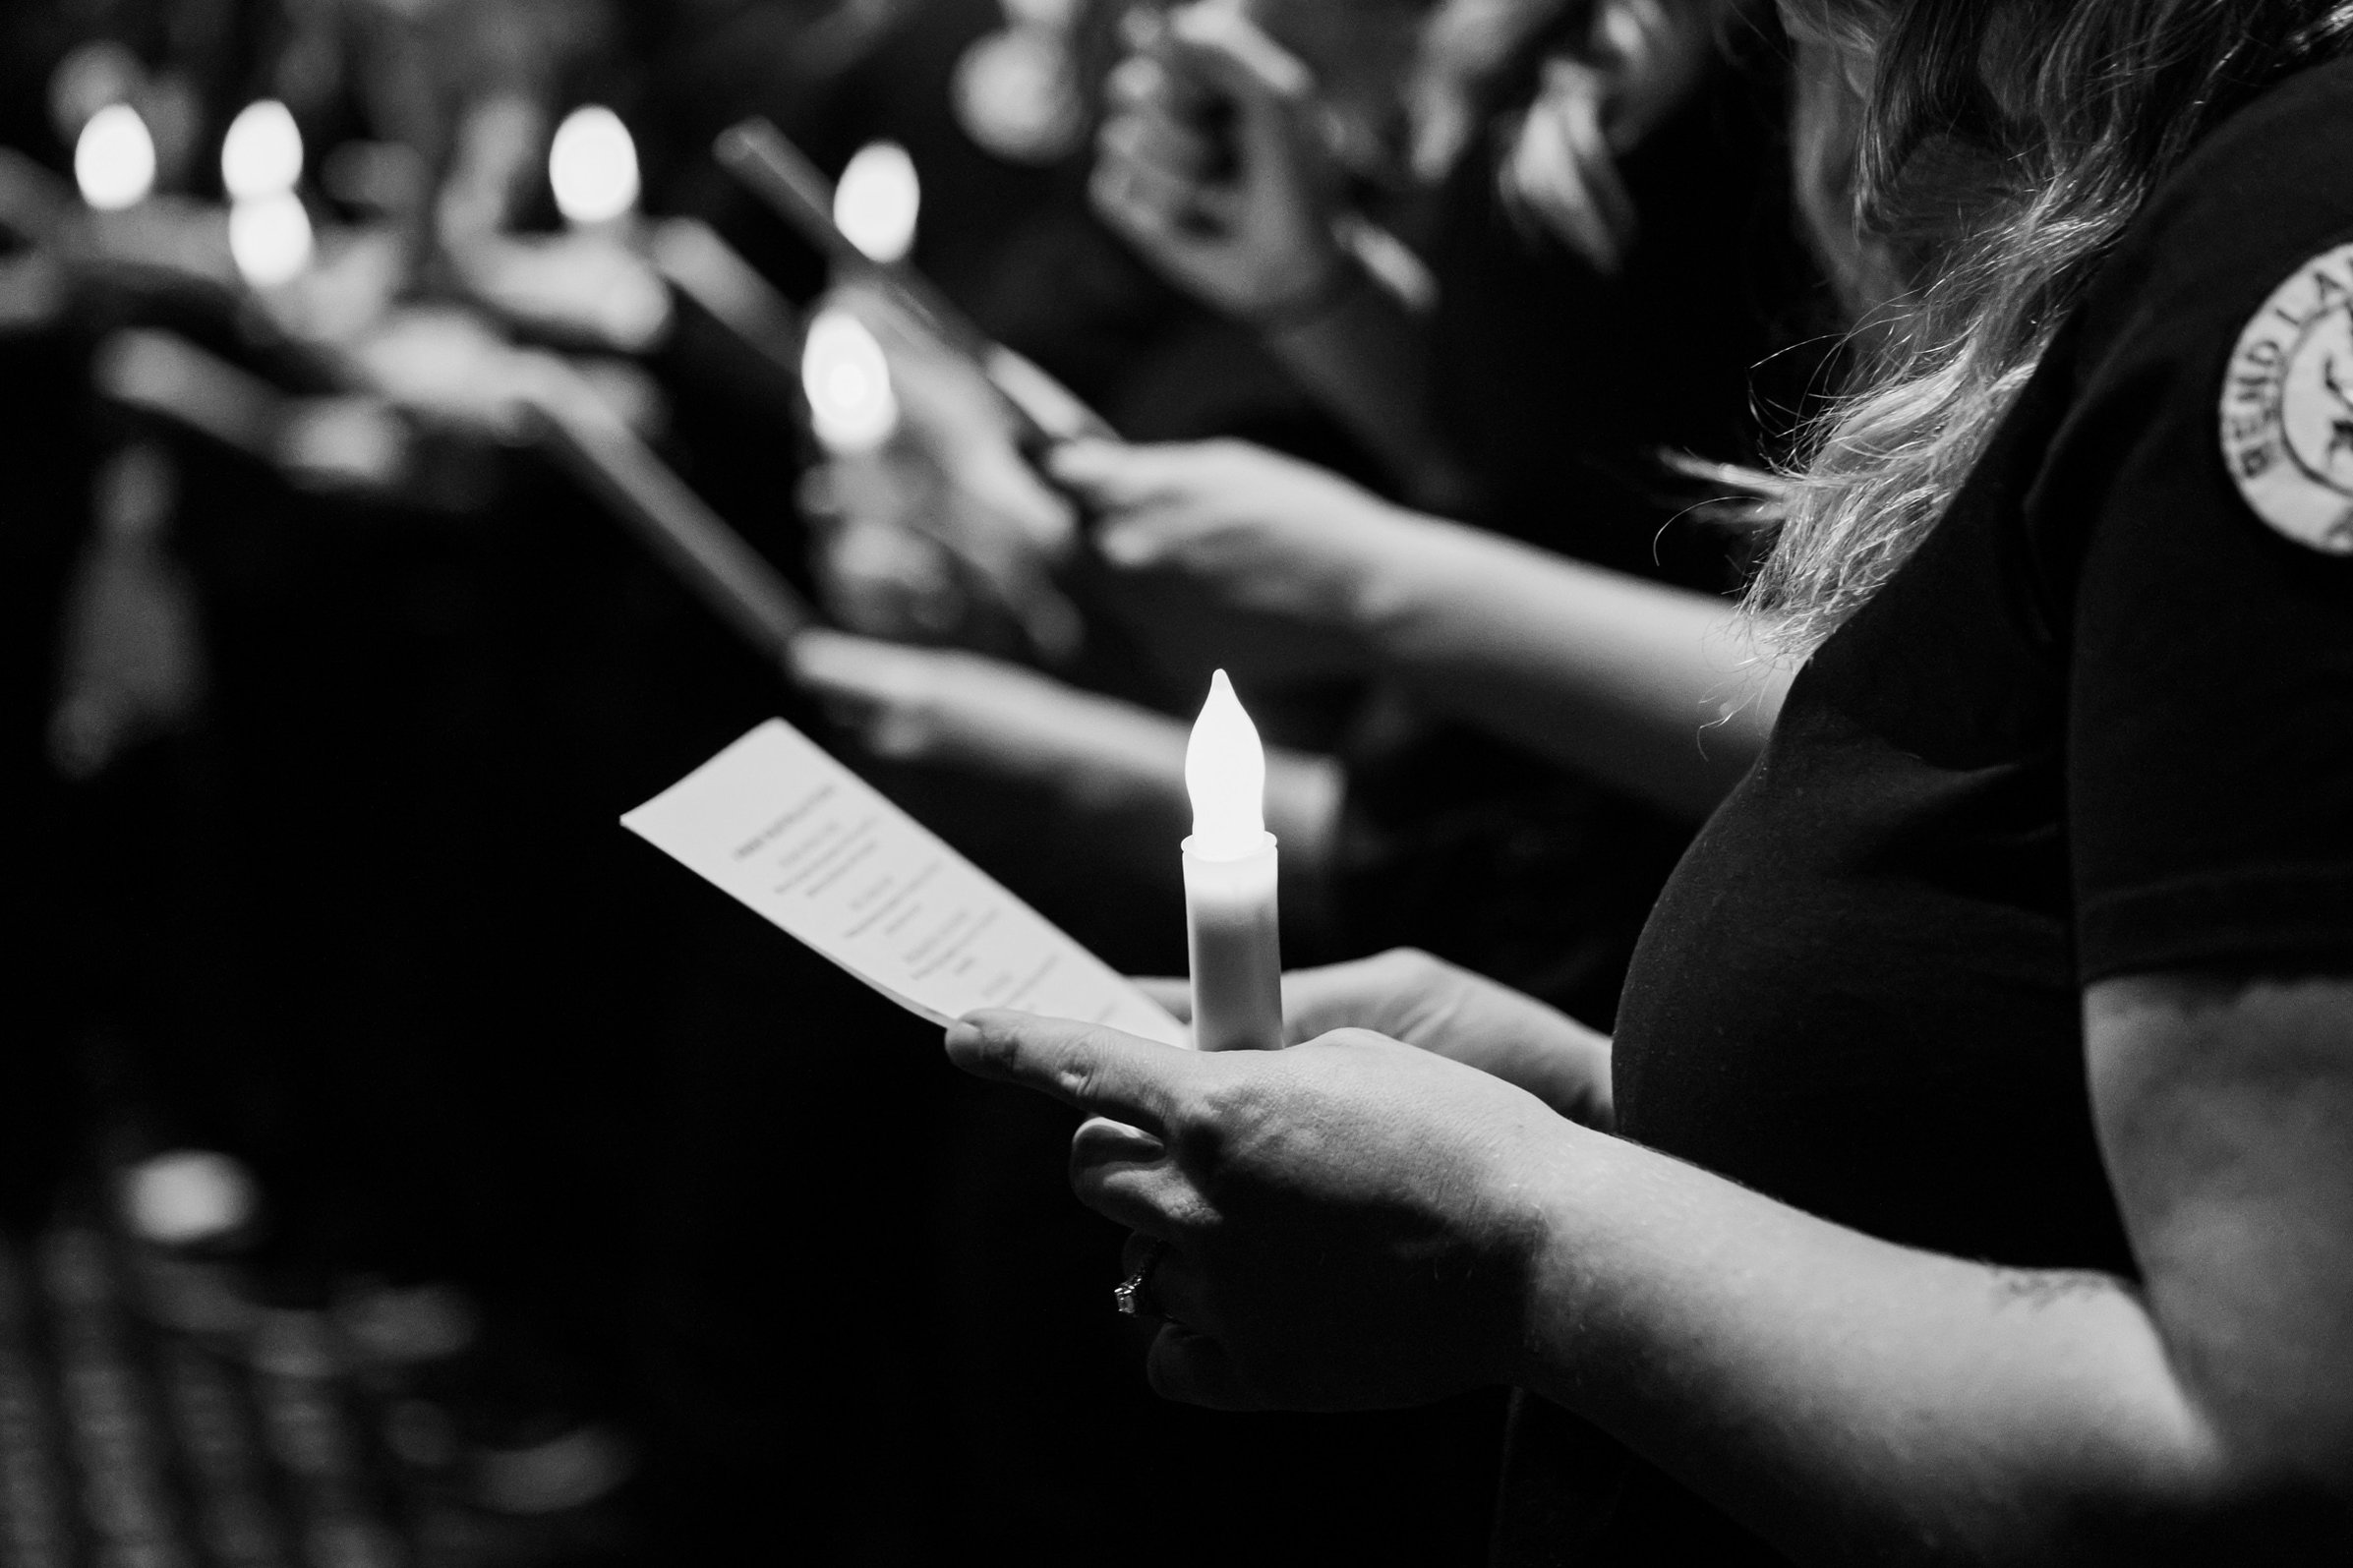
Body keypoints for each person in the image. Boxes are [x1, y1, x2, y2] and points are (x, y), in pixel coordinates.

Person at [943, 0, 2353, 1559]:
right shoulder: (2190, 185)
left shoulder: (2297, 233)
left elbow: (2269, 1454)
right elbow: (1998, 1038)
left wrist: (1520, 1231)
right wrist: (1612, 1099)